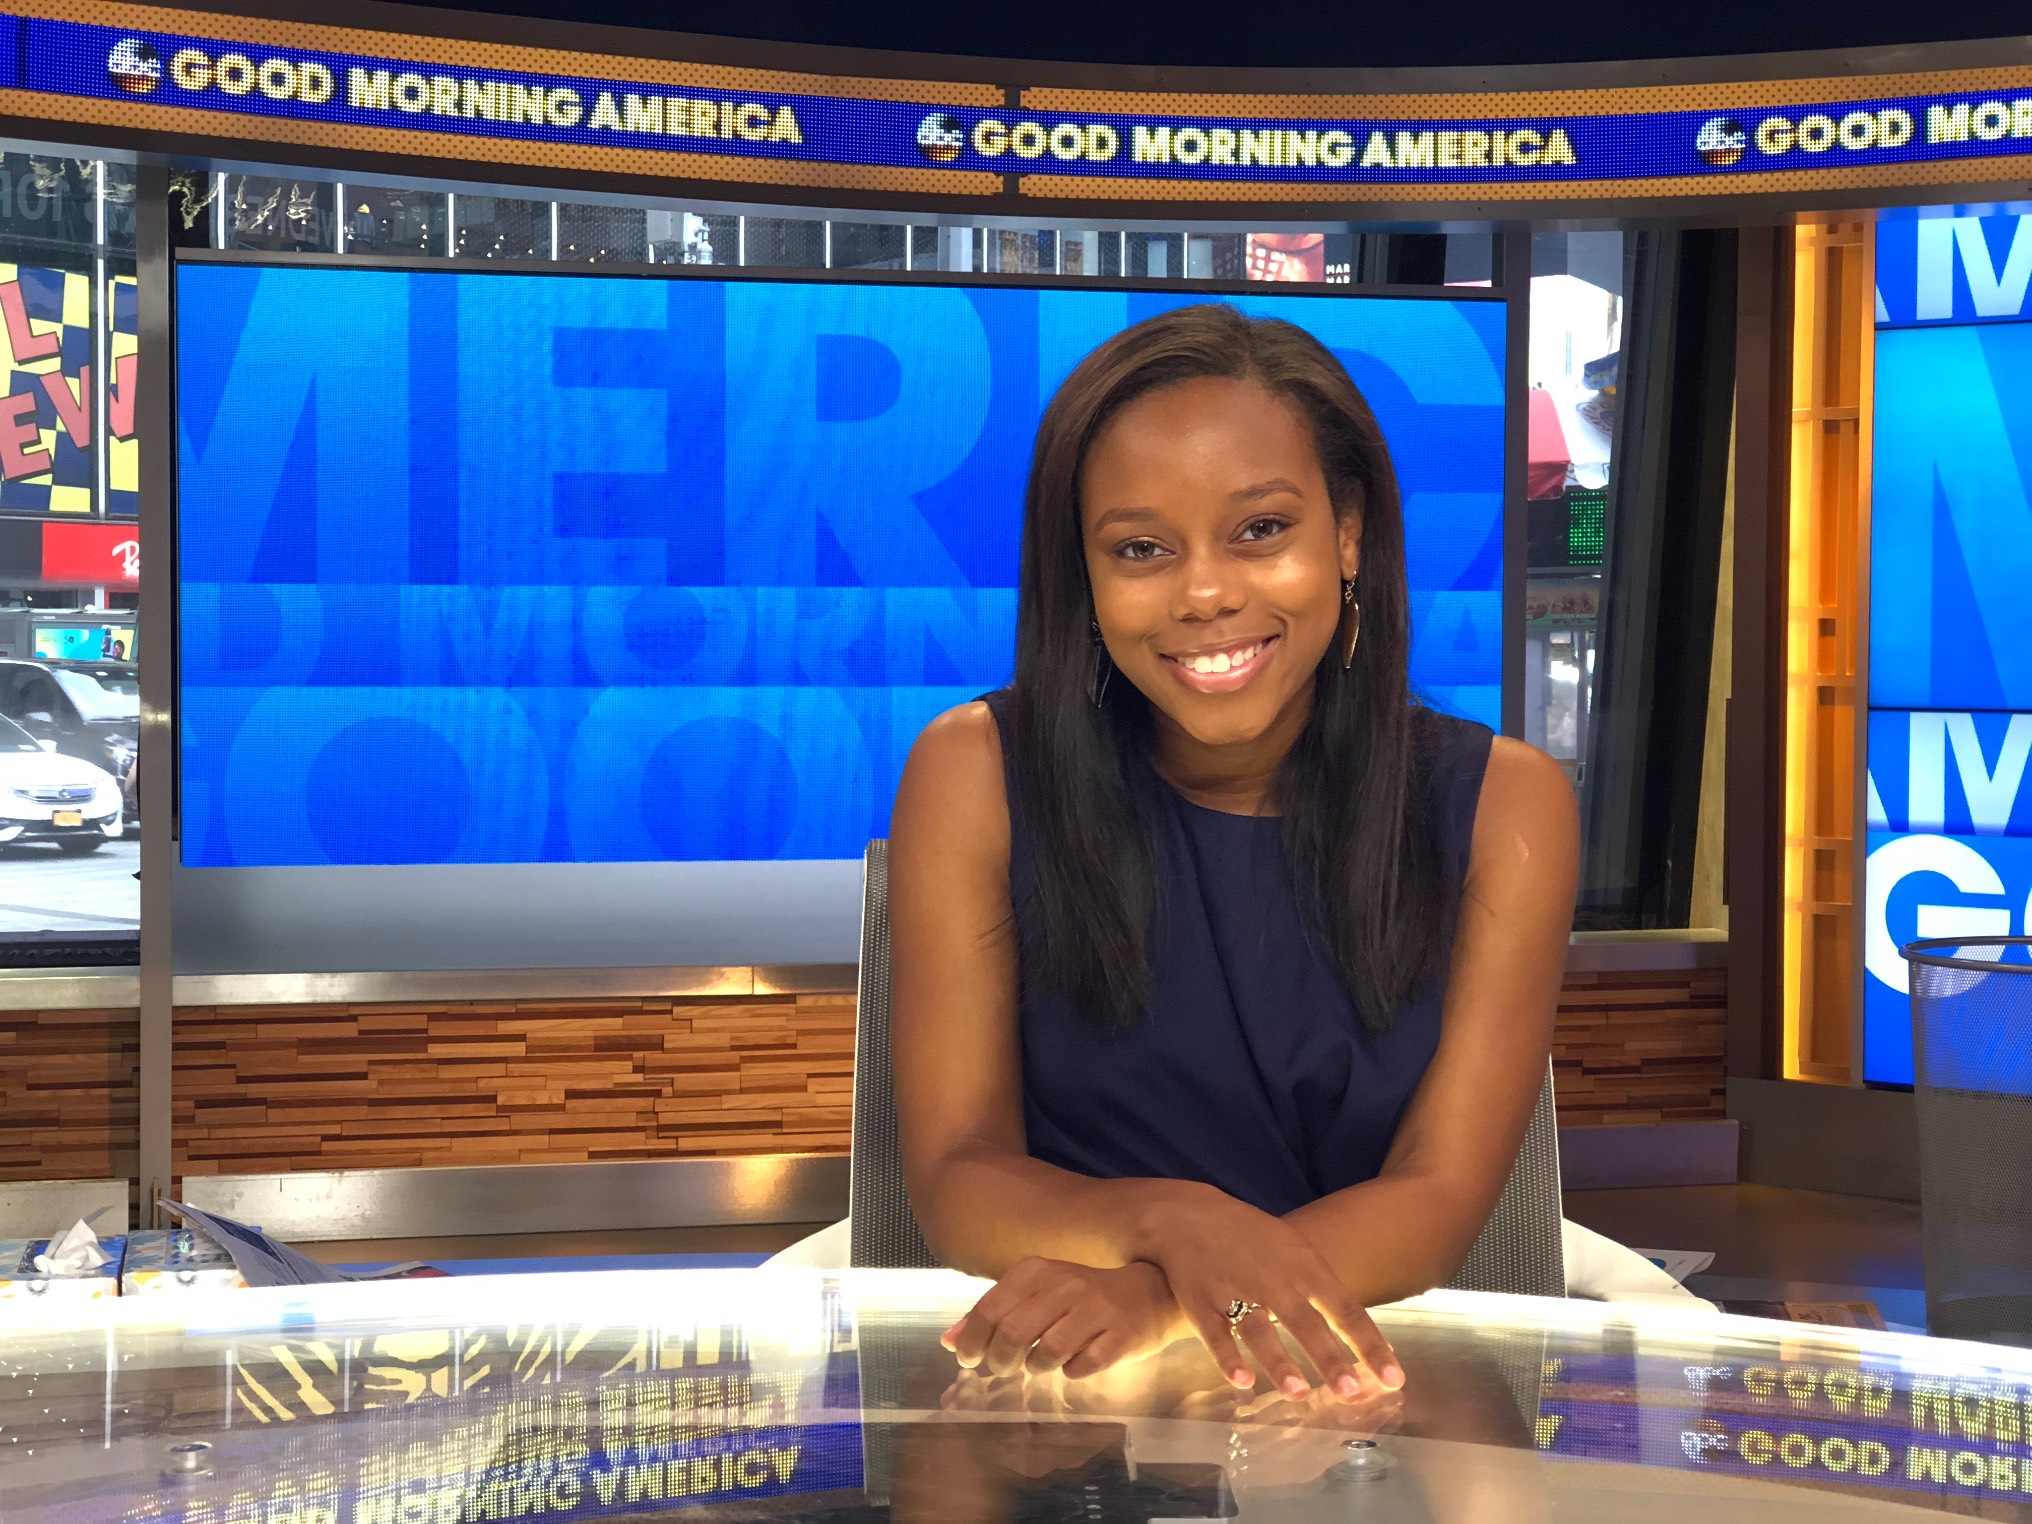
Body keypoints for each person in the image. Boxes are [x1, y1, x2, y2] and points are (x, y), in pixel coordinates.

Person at [887, 304, 1578, 1403]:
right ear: (1083, 573)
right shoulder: (970, 770)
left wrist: (1166, 1301)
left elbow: (1439, 1198)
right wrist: (1175, 1223)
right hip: (1053, 1390)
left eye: (1259, 530)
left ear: (1347, 535)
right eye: (1140, 550)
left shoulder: (1507, 803)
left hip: (1358, 1395)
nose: (1205, 592)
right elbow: (956, 1174)